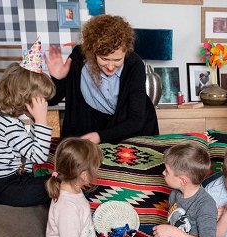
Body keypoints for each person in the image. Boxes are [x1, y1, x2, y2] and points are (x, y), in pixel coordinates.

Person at [45, 15, 158, 144]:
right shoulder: (79, 56)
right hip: (94, 126)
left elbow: (136, 120)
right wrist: (58, 78)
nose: (110, 67)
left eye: (117, 60)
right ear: (92, 52)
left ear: (126, 52)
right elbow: (52, 100)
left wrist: (100, 136)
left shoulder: (134, 64)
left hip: (133, 129)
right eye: (104, 59)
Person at [0, 45, 55, 207]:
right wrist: (42, 120)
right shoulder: (8, 124)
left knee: (55, 180)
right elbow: (38, 157)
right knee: (58, 187)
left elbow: (30, 152)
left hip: (17, 179)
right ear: (25, 97)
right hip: (4, 187)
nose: (44, 104)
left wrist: (35, 121)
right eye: (40, 99)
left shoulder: (7, 119)